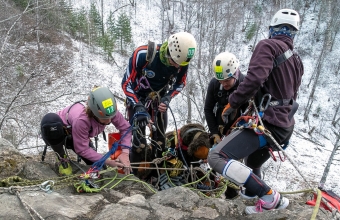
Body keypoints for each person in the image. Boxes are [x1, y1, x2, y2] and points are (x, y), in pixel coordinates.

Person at [207, 8, 304, 214]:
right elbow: (291, 93)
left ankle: (270, 198)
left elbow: (255, 79)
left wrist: (232, 102)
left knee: (216, 157)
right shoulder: (297, 60)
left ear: (272, 29)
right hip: (285, 126)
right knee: (252, 161)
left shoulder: (267, 46)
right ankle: (252, 193)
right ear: (293, 33)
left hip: (268, 123)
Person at [121, 31, 197, 178]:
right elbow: (126, 84)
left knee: (160, 140)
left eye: (179, 64)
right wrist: (137, 106)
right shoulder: (143, 54)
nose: (176, 67)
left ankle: (157, 175)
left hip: (159, 100)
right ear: (169, 52)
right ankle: (138, 176)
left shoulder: (182, 62)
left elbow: (181, 83)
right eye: (174, 62)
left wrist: (168, 97)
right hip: (137, 98)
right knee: (138, 142)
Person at [40, 86, 132, 175]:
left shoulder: (109, 111)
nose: (108, 121)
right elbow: (82, 149)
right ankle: (61, 158)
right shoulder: (82, 120)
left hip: (80, 135)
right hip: (61, 133)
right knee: (50, 122)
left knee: (99, 167)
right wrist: (108, 161)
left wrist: (125, 153)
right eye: (104, 118)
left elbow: (126, 128)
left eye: (110, 118)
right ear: (94, 113)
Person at [204, 52, 247, 199]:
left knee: (233, 165)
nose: (223, 84)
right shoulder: (215, 84)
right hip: (219, 126)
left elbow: (251, 113)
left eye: (226, 81)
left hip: (239, 129)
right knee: (213, 159)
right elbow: (208, 109)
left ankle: (232, 195)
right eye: (220, 81)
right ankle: (213, 189)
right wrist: (214, 132)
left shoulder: (246, 85)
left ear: (235, 73)